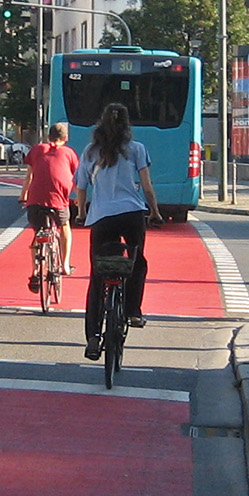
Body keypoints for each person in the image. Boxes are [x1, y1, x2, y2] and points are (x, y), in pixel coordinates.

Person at [74, 102, 157, 358]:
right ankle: (133, 311)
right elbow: (146, 187)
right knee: (137, 262)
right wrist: (154, 211)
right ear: (127, 125)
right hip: (131, 214)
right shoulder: (136, 149)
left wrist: (81, 213)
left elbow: (81, 187)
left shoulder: (90, 151)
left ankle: (92, 336)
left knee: (98, 276)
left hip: (101, 218)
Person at [21, 121, 79, 287]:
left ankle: (34, 272)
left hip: (36, 201)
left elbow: (29, 177)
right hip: (59, 202)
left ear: (48, 136)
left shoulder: (37, 149)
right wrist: (77, 197)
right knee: (65, 226)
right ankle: (65, 265)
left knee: (38, 235)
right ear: (65, 138)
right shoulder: (69, 153)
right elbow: (75, 178)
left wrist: (23, 195)